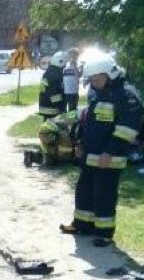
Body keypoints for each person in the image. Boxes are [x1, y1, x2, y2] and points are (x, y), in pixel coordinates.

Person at [60, 54, 143, 247]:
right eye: (92, 81)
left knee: (104, 194)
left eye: (98, 80)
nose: (95, 84)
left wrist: (110, 152)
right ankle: (82, 225)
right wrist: (80, 142)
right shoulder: (98, 92)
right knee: (84, 190)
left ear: (110, 74)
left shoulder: (126, 95)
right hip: (91, 154)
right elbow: (88, 120)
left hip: (109, 158)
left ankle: (104, 233)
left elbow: (128, 129)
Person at [38, 51, 66, 120]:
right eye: (63, 66)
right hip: (53, 109)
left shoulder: (47, 73)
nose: (63, 68)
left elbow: (42, 90)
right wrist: (61, 107)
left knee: (47, 127)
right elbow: (55, 93)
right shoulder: (56, 75)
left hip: (44, 105)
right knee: (54, 128)